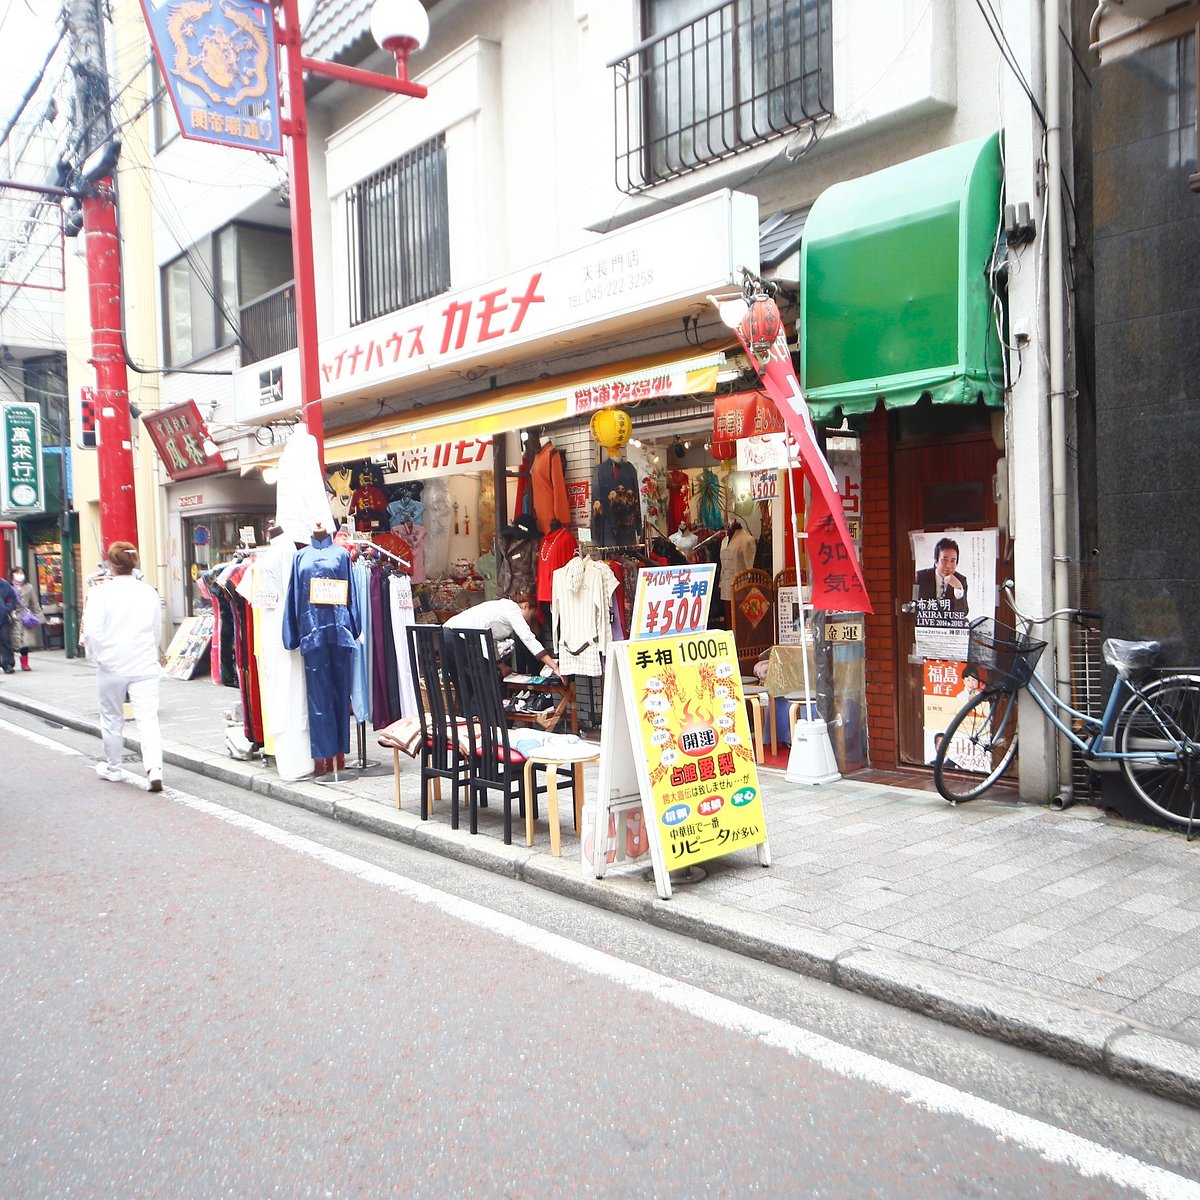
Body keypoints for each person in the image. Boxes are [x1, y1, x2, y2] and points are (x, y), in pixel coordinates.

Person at [80, 541, 165, 791]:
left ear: (110, 564)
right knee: (148, 718)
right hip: (144, 663)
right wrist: (151, 650)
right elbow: (156, 630)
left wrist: (95, 657)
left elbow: (93, 632)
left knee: (111, 717)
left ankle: (114, 767)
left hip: (112, 664)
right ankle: (154, 768)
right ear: (134, 563)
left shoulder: (100, 593)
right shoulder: (148, 591)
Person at [444, 594, 559, 680]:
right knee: (481, 681)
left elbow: (491, 640)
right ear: (525, 606)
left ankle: (472, 712)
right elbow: (527, 637)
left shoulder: (502, 607)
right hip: (459, 636)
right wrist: (554, 666)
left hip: (448, 633)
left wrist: (501, 666)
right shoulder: (513, 610)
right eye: (532, 615)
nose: (529, 620)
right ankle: (481, 712)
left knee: (465, 683)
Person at [916, 537, 969, 613]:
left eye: (953, 561)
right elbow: (913, 605)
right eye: (944, 560)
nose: (948, 565)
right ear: (936, 561)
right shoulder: (919, 577)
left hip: (947, 624)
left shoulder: (961, 580)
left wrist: (958, 588)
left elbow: (963, 613)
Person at [11, 566, 44, 670]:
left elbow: (34, 602)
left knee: (26, 640)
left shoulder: (29, 587)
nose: (19, 575)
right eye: (17, 573)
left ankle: (25, 663)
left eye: (21, 573)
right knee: (13, 640)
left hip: (26, 616)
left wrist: (39, 616)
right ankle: (9, 661)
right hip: (13, 616)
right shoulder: (8, 586)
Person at [0, 573, 17, 674]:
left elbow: (12, 598)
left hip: (3, 618)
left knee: (6, 641)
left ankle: (8, 664)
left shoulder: (4, 584)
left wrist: (7, 608)